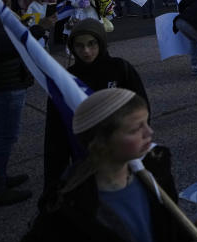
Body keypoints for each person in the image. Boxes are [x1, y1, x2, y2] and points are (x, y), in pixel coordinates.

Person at [10, 88, 197, 242]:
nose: (150, 132)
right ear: (101, 142)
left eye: (146, 122)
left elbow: (168, 230)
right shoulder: (68, 209)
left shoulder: (155, 170)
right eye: (135, 128)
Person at [43, 18, 149, 202]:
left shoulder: (120, 69)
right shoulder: (66, 81)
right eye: (79, 46)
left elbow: (141, 108)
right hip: (86, 162)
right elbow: (55, 138)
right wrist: (52, 185)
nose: (86, 51)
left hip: (124, 156)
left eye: (92, 44)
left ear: (101, 42)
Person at [0, 0, 34, 208]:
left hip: (7, 81)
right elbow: (11, 45)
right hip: (5, 85)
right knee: (4, 136)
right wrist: (38, 30)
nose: (7, 0)